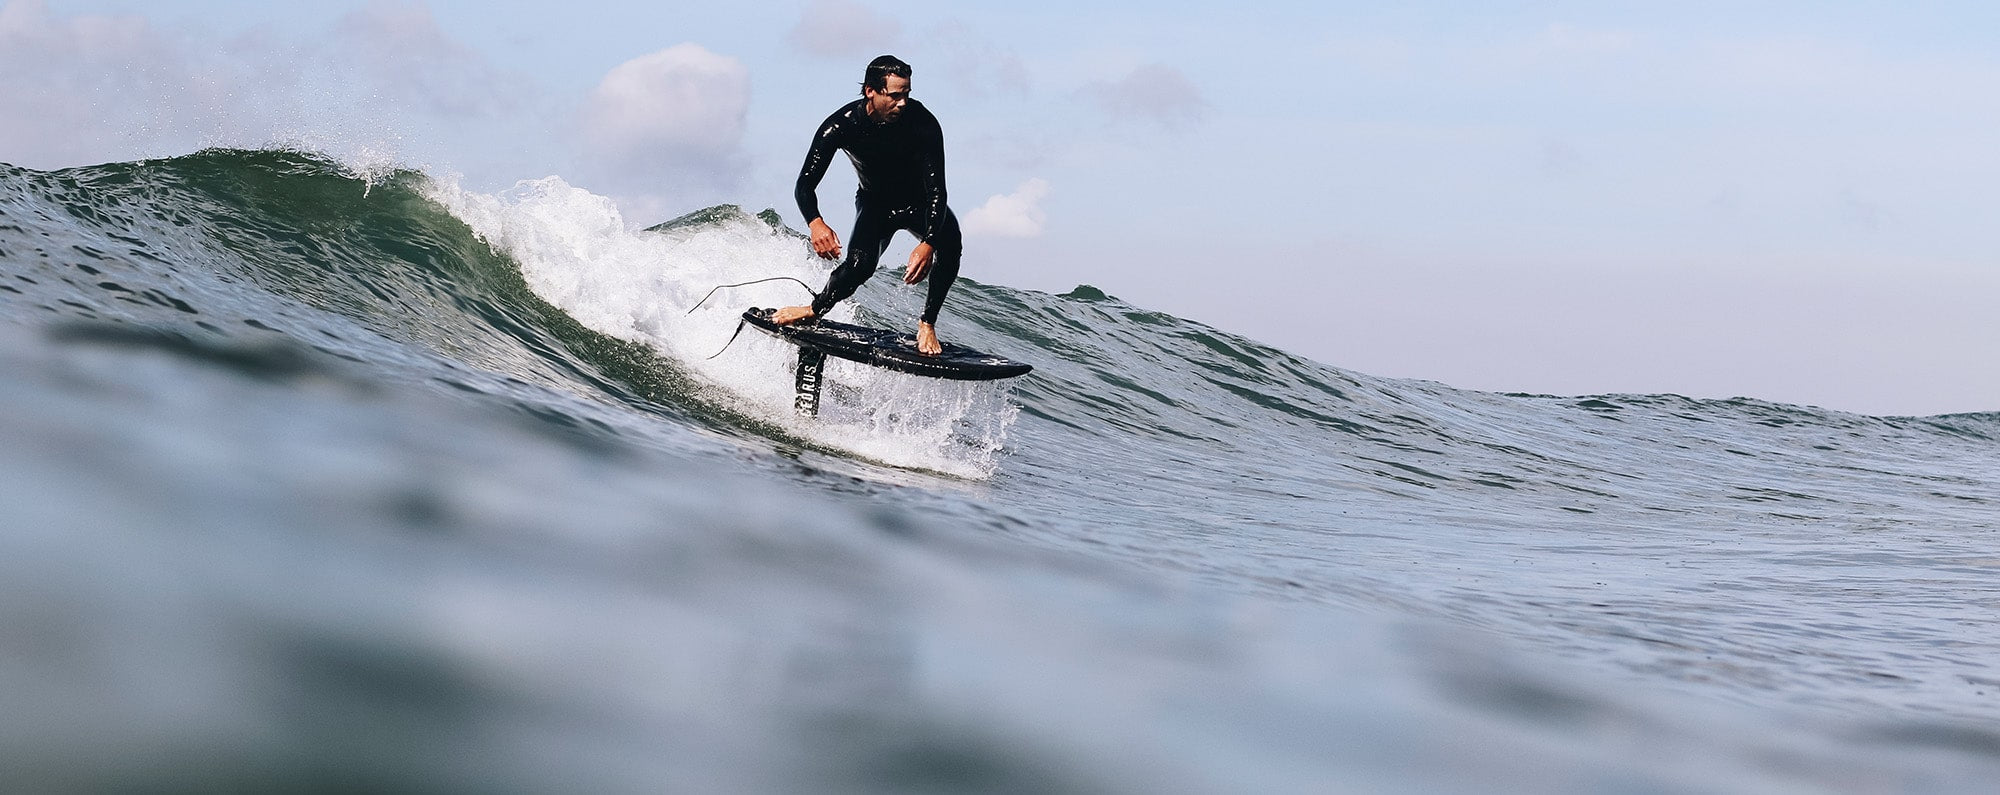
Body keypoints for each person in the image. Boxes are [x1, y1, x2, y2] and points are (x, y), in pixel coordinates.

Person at [772, 55, 961, 355]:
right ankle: (815, 308)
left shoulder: (922, 122)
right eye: (895, 95)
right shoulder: (841, 126)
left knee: (950, 245)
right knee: (859, 265)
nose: (902, 103)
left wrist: (928, 243)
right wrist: (815, 222)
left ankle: (927, 323)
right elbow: (805, 184)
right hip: (876, 204)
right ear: (871, 91)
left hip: (921, 203)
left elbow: (938, 191)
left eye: (907, 94)